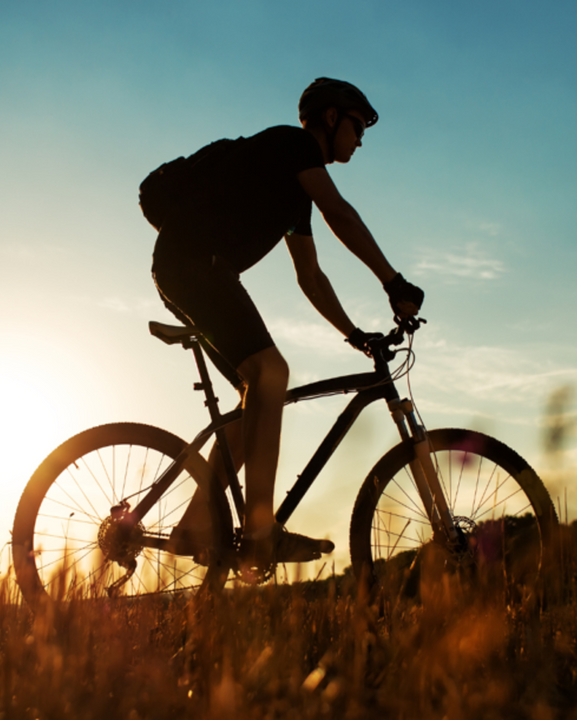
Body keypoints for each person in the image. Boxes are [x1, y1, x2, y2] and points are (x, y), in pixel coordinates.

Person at [147, 78, 424, 576]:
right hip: (194, 264)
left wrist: (355, 333)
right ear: (332, 118)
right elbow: (340, 212)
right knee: (271, 371)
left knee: (253, 395)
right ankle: (259, 532)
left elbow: (310, 276)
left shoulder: (295, 192)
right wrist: (393, 281)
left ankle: (193, 527)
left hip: (192, 268)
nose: (361, 139)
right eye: (358, 125)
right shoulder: (292, 146)